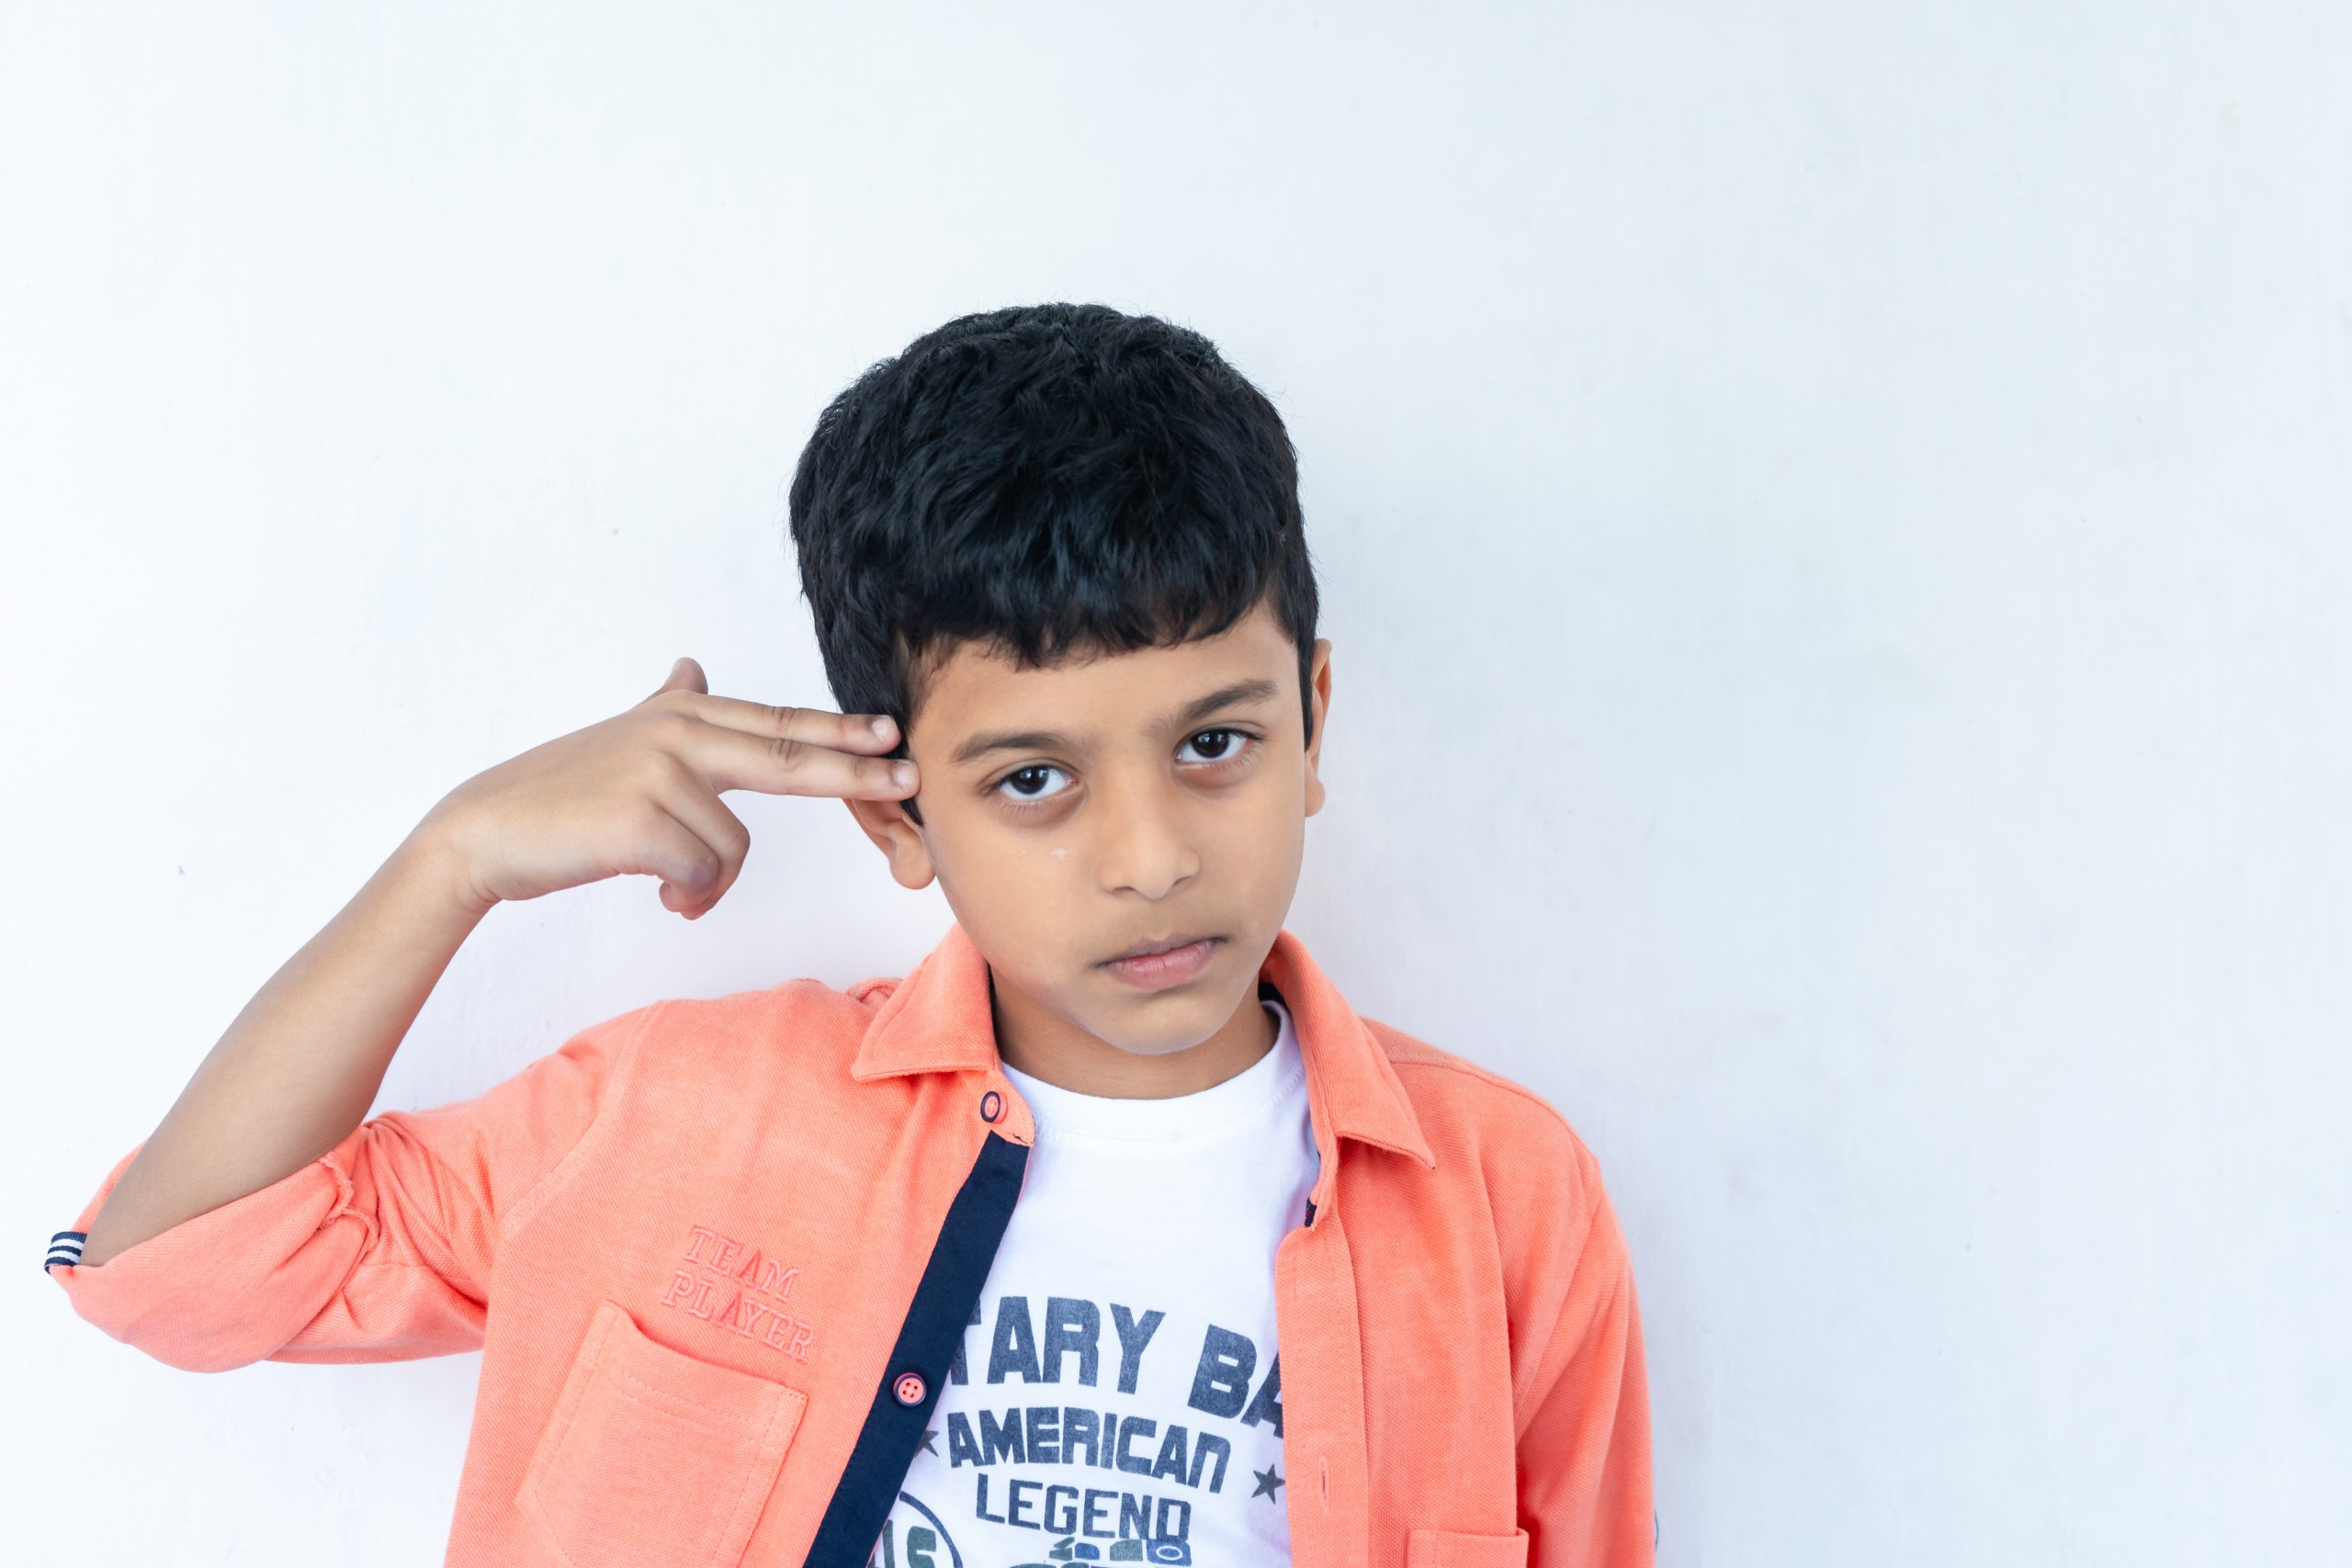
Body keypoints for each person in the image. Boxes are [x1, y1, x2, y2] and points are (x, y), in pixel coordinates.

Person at [47, 304, 1653, 1568]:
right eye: (1034, 779)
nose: (1151, 859)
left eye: (1214, 745)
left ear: (1312, 721)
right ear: (894, 815)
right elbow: (171, 1281)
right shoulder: (673, 1125)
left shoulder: (1506, 1202)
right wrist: (454, 857)